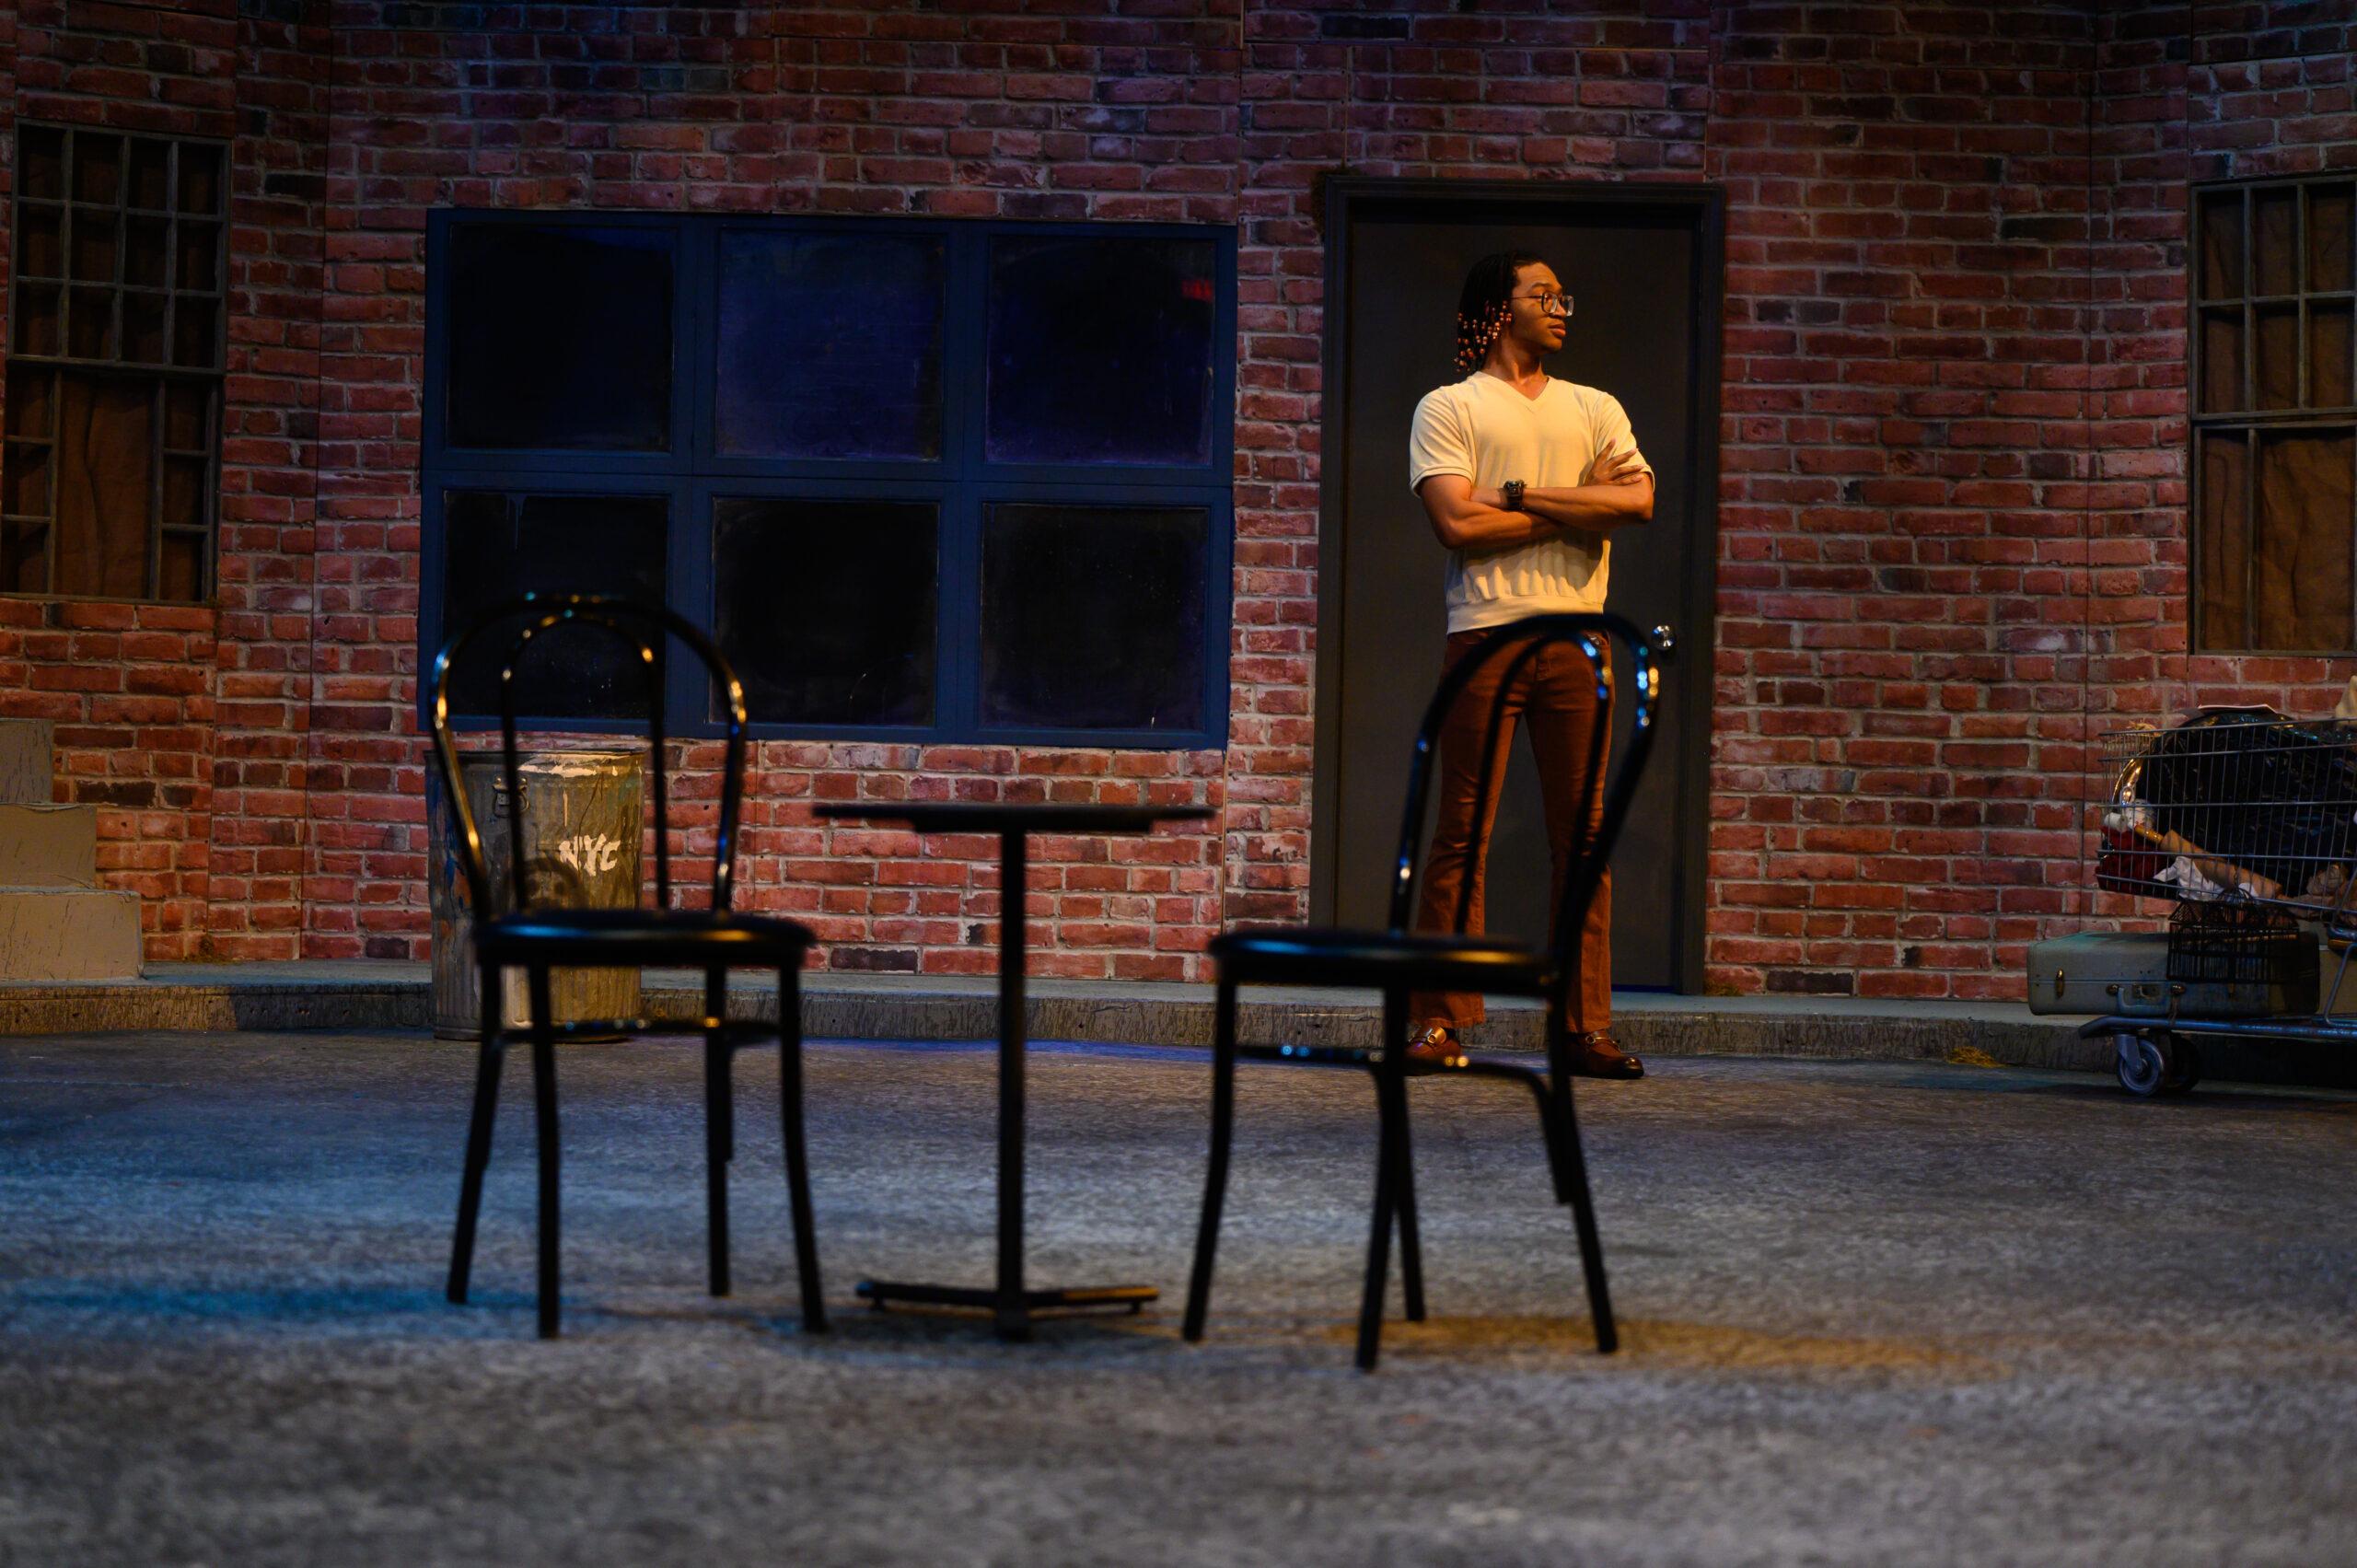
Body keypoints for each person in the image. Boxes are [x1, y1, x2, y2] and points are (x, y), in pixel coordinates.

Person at [1403, 250, 1655, 1079]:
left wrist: (1510, 495)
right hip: (1485, 634)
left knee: (1583, 836)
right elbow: (1455, 523)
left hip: (1579, 640)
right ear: (1499, 306)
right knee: (1462, 831)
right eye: (1543, 294)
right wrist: (1578, 506)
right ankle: (1438, 1019)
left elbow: (1639, 501)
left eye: (1563, 295)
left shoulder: (1595, 406)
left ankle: (1583, 1027)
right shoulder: (1449, 406)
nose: (1561, 307)